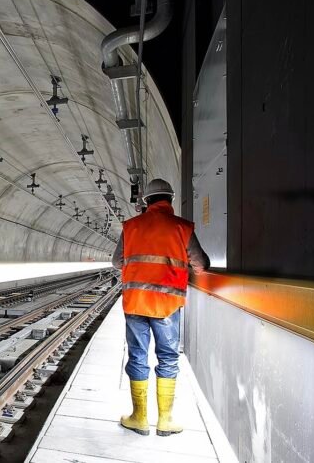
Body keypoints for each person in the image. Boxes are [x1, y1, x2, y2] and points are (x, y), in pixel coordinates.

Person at [111, 178, 210, 437]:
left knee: (138, 355)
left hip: (135, 303)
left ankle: (139, 418)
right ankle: (165, 420)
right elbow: (201, 264)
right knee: (167, 357)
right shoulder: (182, 228)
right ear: (170, 199)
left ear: (146, 201)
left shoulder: (131, 227)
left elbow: (116, 262)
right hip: (167, 305)